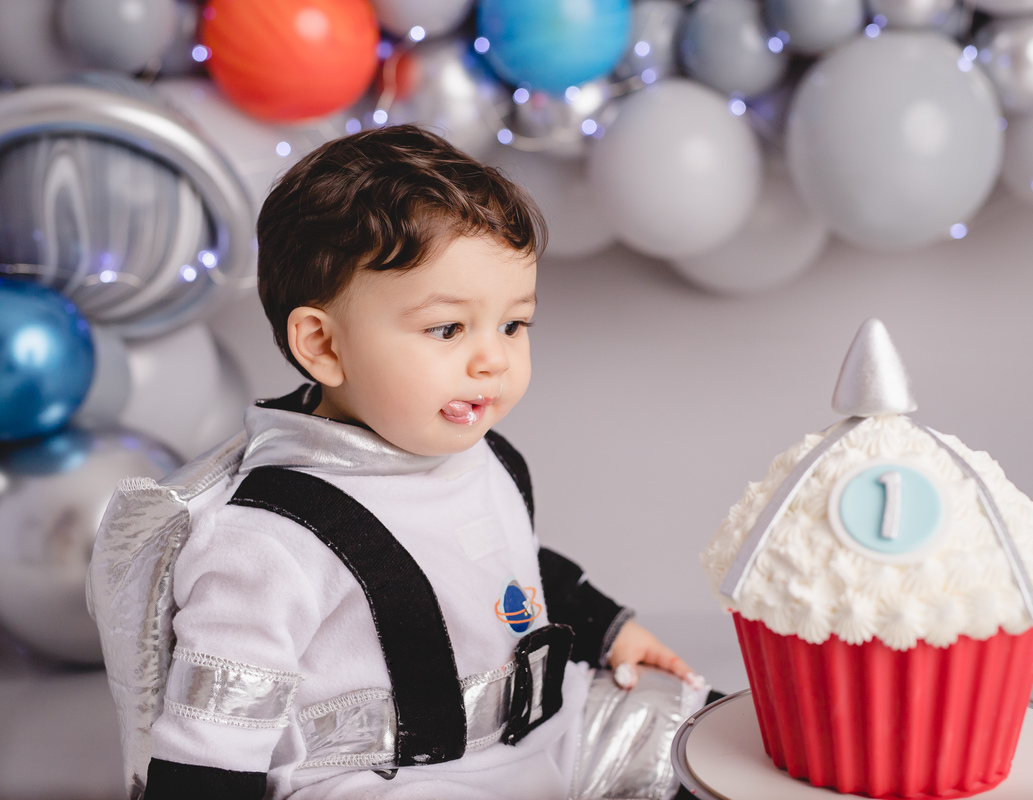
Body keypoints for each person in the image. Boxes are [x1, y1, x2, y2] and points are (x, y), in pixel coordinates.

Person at [141, 125, 709, 800]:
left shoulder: (480, 453)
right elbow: (214, 734)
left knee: (709, 741)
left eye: (513, 324)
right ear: (321, 345)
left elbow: (505, 575)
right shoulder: (268, 543)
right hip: (392, 781)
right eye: (448, 329)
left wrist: (605, 627)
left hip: (544, 735)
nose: (492, 359)